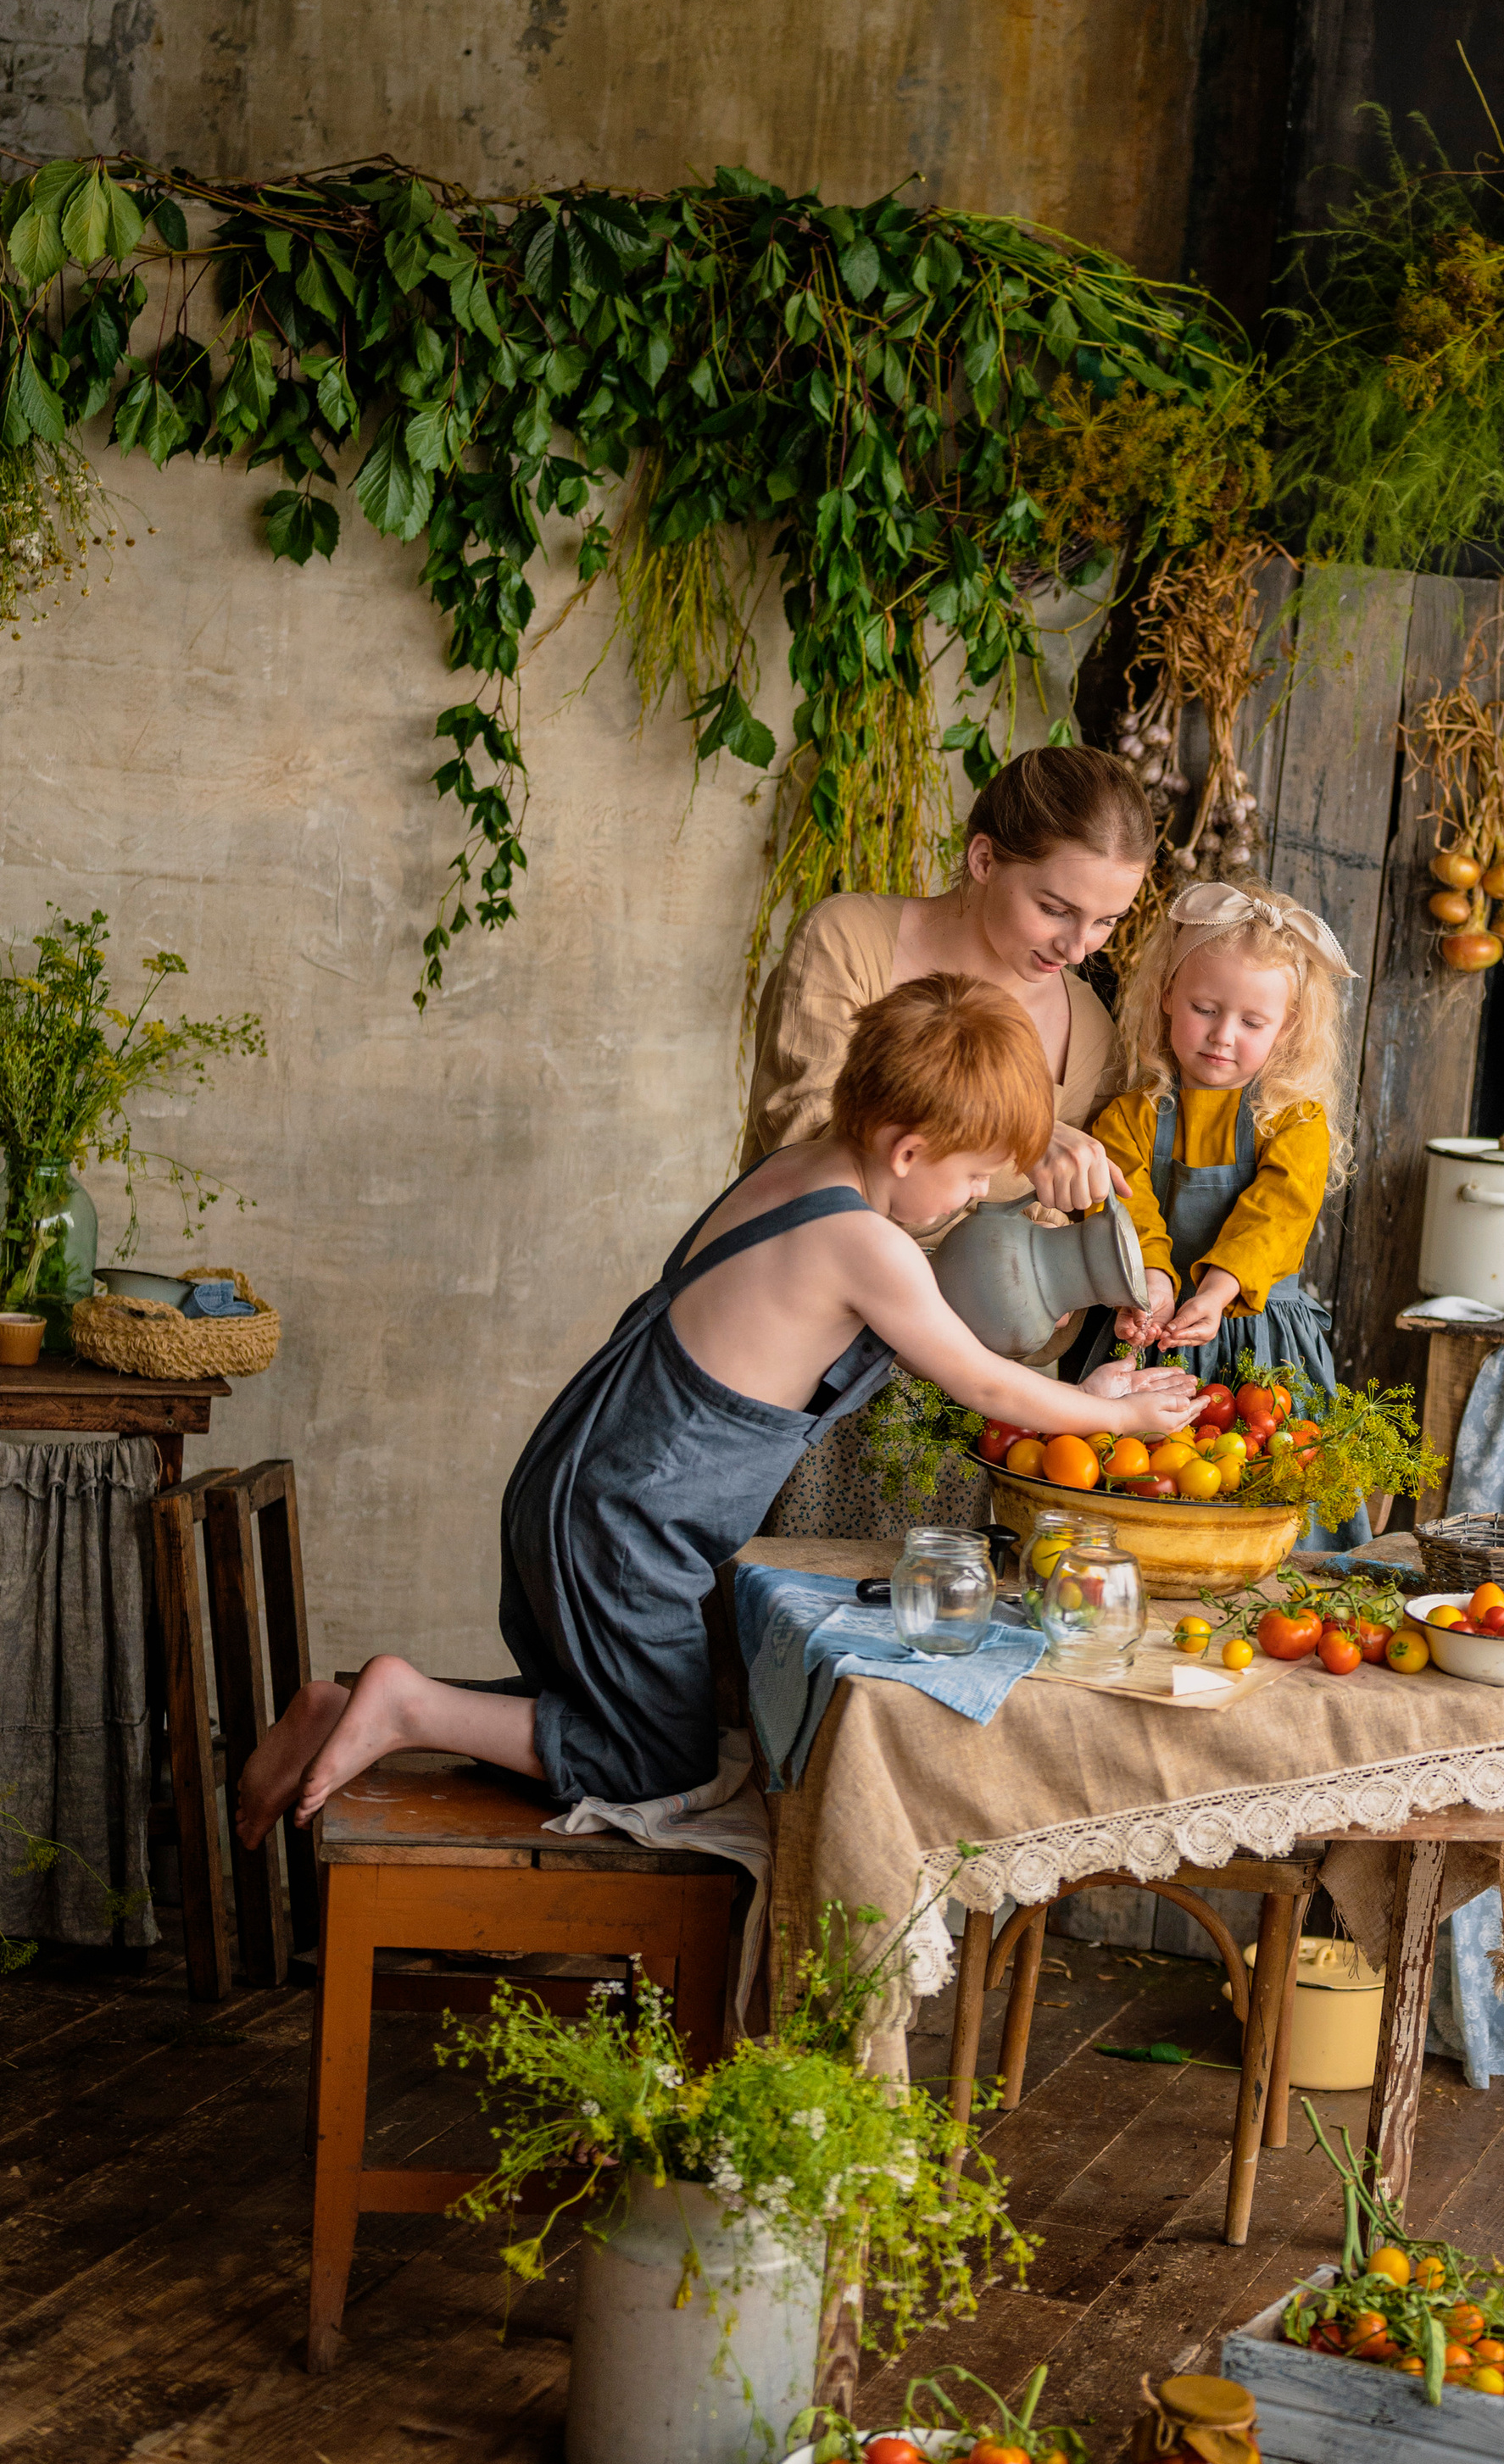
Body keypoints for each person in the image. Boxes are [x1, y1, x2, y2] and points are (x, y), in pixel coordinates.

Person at [234, 978, 1195, 1842]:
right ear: (908, 1150)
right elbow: (980, 1380)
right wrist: (1113, 1417)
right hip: (632, 1516)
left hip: (583, 1472)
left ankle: (348, 1705)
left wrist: (1081, 1388)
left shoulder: (803, 1166)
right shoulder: (869, 1246)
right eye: (976, 1175)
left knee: (607, 1706)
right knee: (659, 1762)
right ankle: (402, 1708)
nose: (981, 1195)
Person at [743, 741, 1157, 1538]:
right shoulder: (850, 942)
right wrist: (1012, 1138)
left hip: (985, 1403)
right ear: (982, 858)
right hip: (813, 1366)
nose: (1077, 947)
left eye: (1106, 920)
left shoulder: (1090, 1028)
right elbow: (802, 1156)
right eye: (1055, 907)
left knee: (946, 1625)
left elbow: (1055, 1259)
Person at [1072, 876, 1358, 1413]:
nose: (1223, 1034)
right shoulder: (1129, 1118)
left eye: (1252, 1022)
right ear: (1167, 995)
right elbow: (1121, 1209)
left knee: (1258, 1474)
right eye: (1204, 1008)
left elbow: (1276, 1218)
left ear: (1287, 1027)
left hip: (1260, 1340)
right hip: (1151, 1330)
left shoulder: (1294, 1121)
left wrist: (1218, 1291)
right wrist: (1150, 1279)